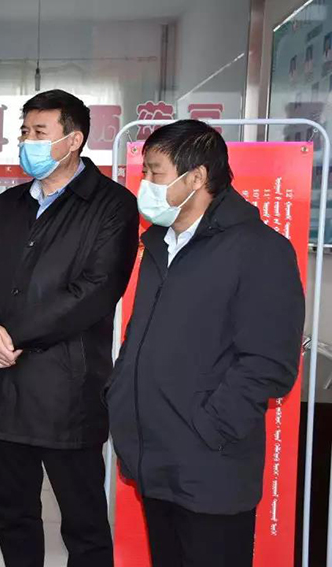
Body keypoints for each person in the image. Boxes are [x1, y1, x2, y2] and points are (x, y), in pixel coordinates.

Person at [106, 120, 304, 567]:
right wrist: (121, 395)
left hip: (210, 465)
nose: (145, 183)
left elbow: (269, 362)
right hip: (153, 456)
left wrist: (209, 428)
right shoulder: (160, 245)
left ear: (195, 177)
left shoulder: (259, 249)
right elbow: (142, 337)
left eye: (154, 172)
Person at [0, 89, 139, 567]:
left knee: (83, 521)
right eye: (24, 132)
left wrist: (11, 335)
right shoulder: (11, 203)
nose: (27, 141)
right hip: (2, 385)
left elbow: (96, 290)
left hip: (66, 390)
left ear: (73, 140)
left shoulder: (111, 205)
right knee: (13, 513)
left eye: (40, 132)